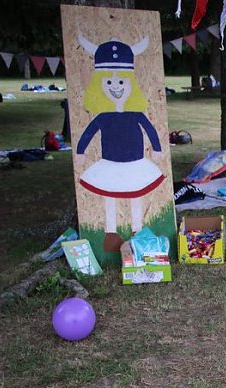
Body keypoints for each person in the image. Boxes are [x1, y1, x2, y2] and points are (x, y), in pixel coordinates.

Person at [76, 35, 164, 252]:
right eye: (109, 82)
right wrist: (80, 151)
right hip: (110, 162)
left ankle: (137, 230)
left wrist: (157, 148)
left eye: (121, 82)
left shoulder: (136, 113)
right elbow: (88, 132)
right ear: (100, 85)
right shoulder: (103, 116)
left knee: (135, 194)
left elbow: (151, 130)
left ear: (130, 84)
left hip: (135, 162)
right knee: (110, 196)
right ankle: (111, 232)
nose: (116, 87)